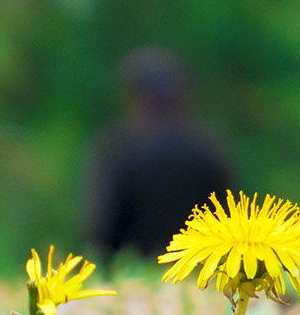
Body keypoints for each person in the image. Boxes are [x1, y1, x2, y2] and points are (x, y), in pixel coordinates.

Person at [84, 47, 237, 257]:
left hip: (134, 271)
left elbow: (102, 230)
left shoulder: (117, 147)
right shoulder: (206, 145)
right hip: (200, 265)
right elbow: (227, 214)